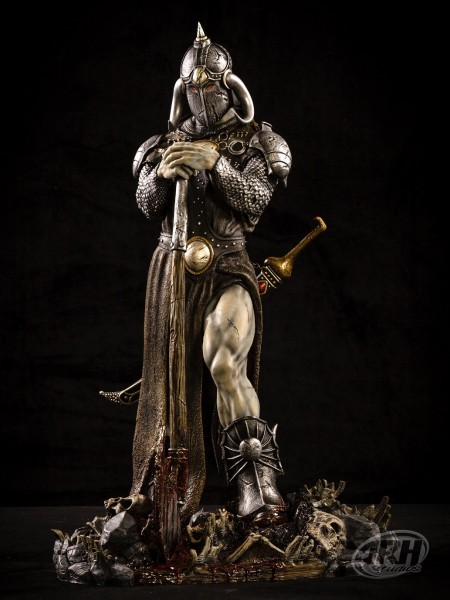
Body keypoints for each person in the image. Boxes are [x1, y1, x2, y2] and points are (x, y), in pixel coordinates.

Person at [130, 23, 292, 525]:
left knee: (223, 362)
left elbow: (255, 200)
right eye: (193, 88)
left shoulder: (256, 140)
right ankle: (166, 497)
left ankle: (257, 486)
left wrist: (216, 162)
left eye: (210, 87)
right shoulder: (163, 143)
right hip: (172, 272)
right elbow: (146, 204)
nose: (202, 96)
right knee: (170, 386)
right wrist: (162, 174)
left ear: (229, 87)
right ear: (182, 91)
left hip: (227, 265)